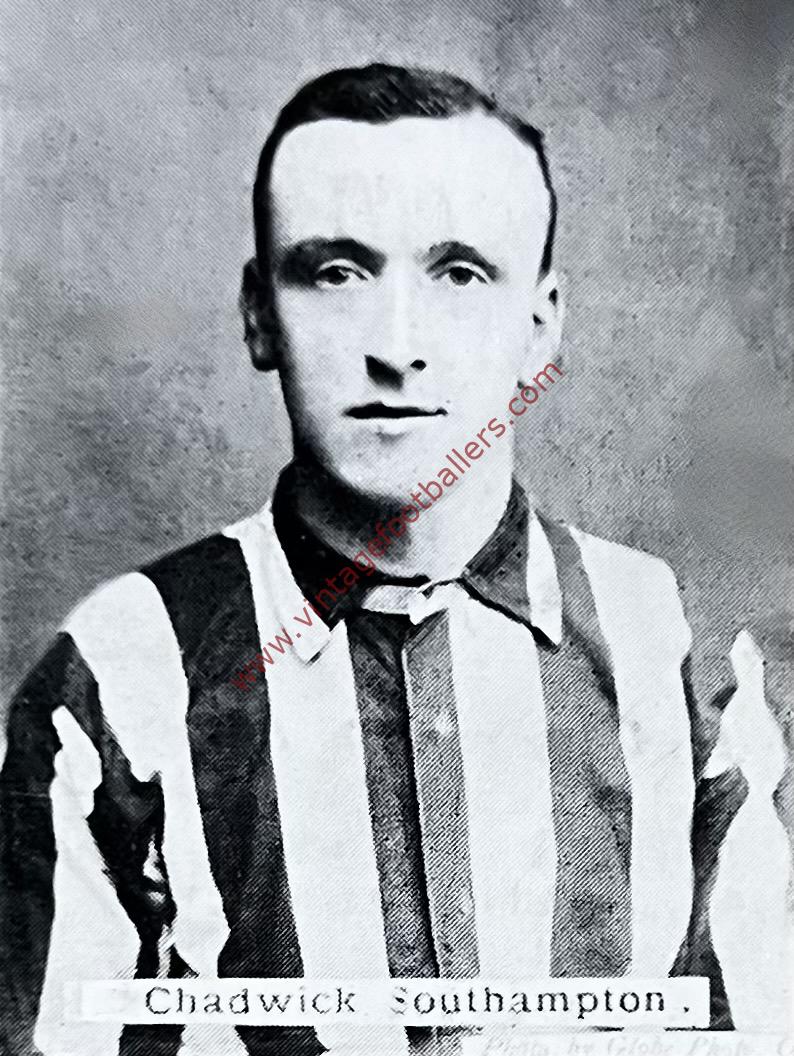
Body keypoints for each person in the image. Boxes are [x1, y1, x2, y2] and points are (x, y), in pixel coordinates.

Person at [0, 63, 788, 1056]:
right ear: (259, 314)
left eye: (459, 273)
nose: (397, 347)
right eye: (336, 272)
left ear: (539, 327)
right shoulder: (118, 669)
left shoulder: (677, 653)